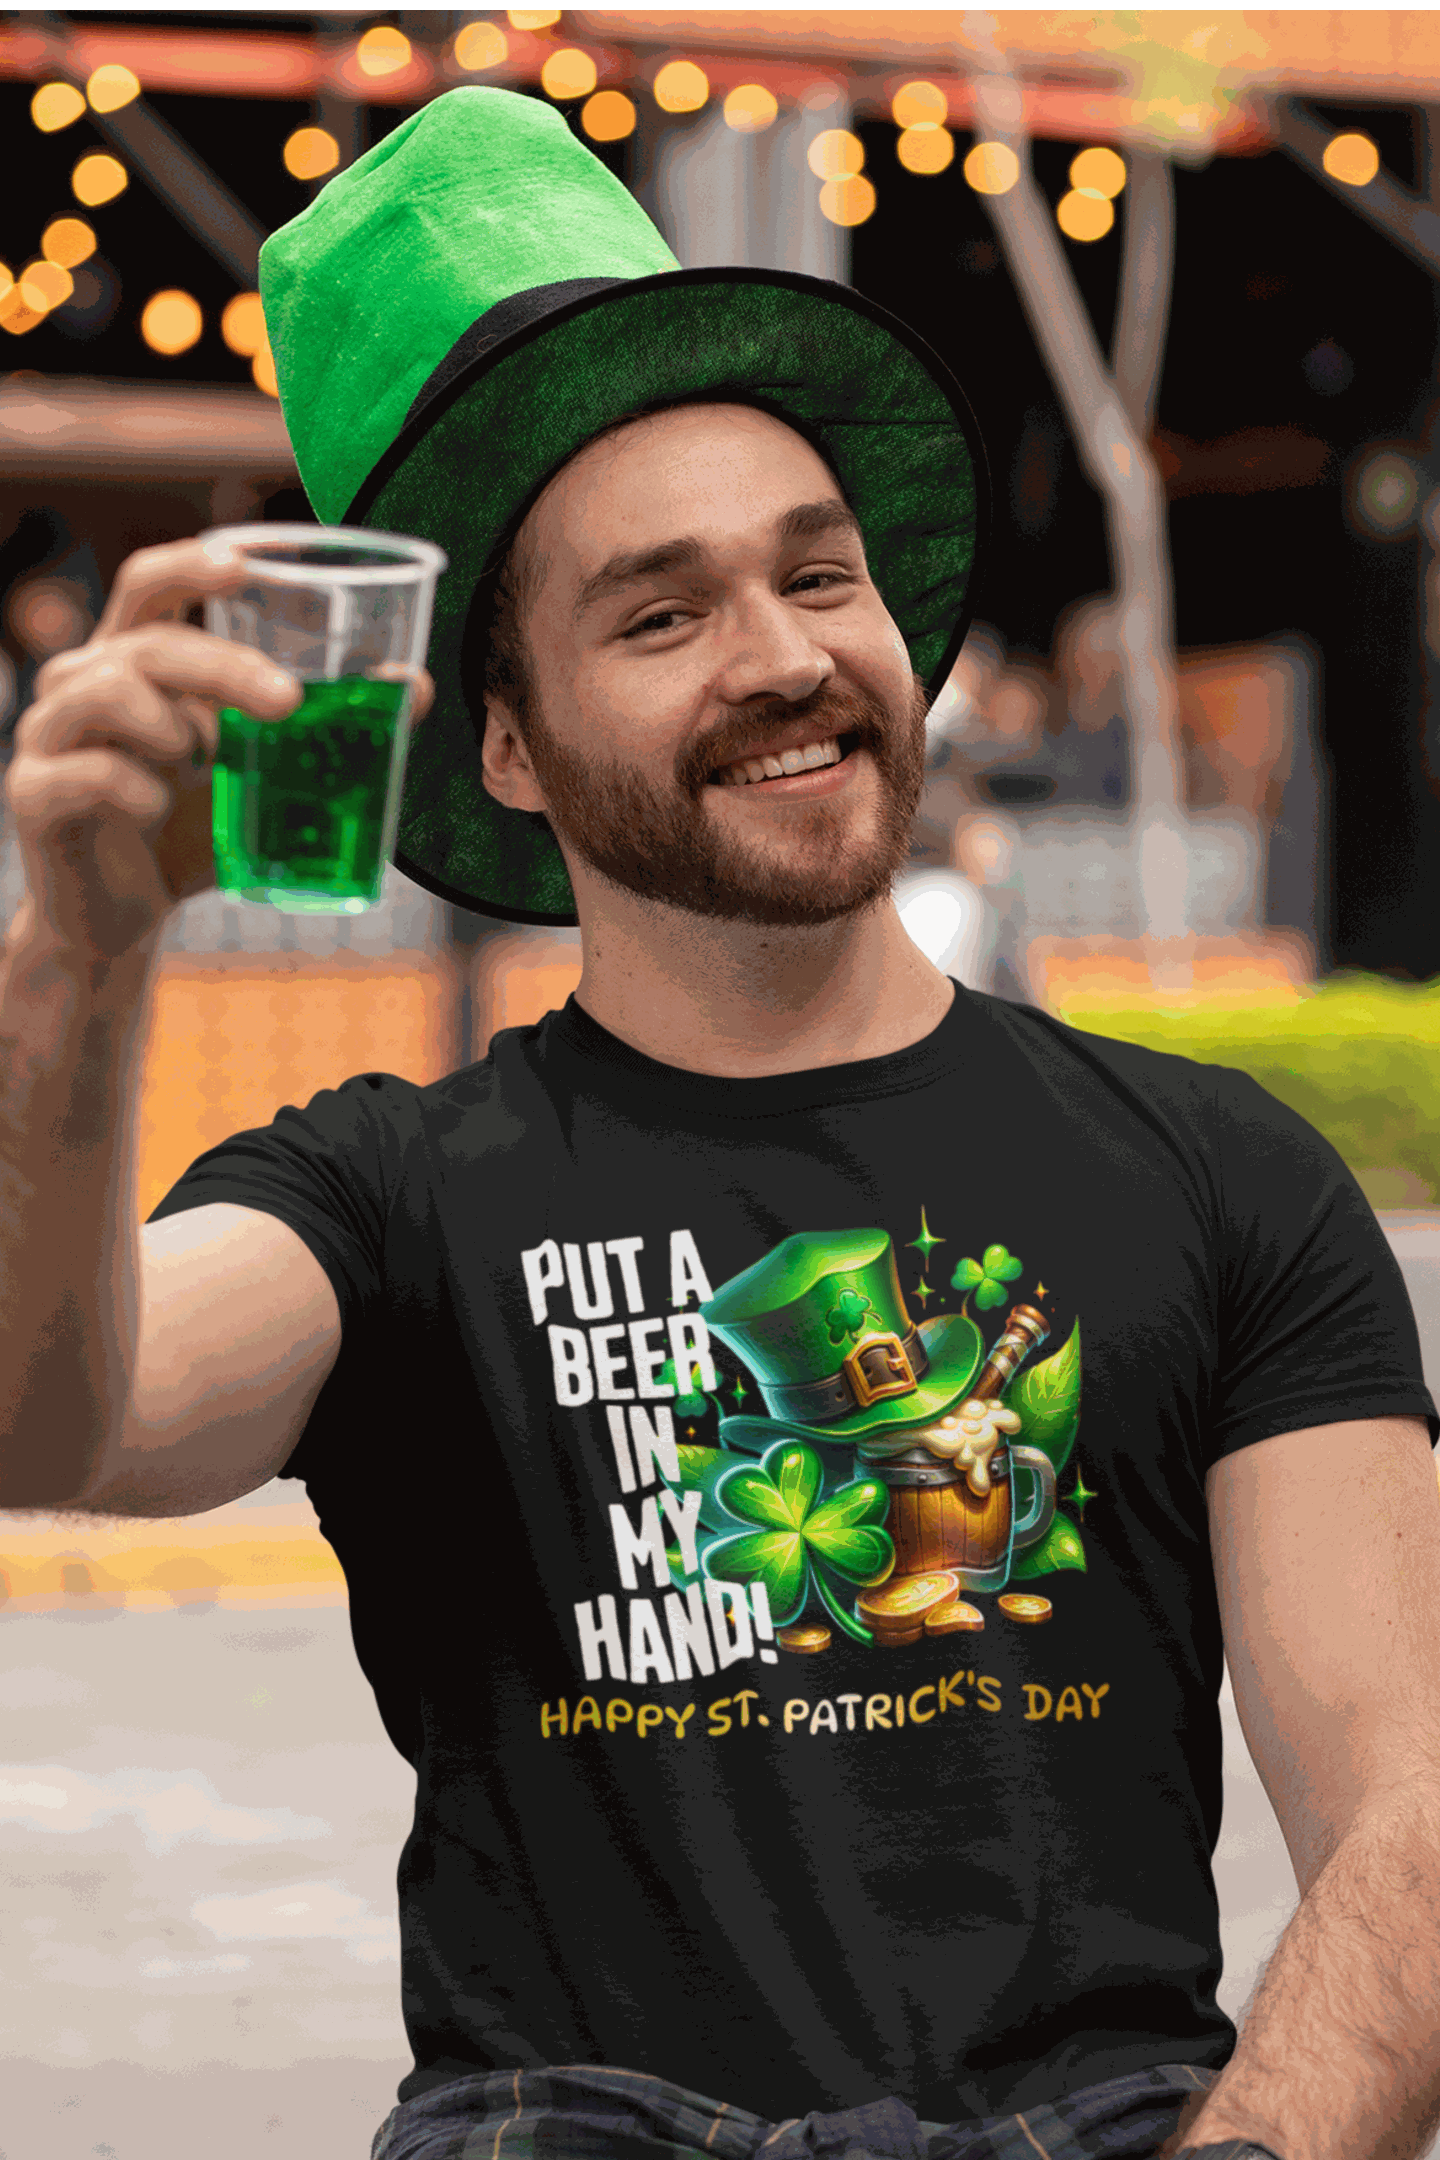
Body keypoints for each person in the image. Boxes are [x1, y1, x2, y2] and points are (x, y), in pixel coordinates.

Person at [4, 84, 1440, 2160]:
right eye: (661, 615)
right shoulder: (387, 1195)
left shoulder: (1224, 1179)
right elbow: (55, 1421)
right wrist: (73, 967)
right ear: (501, 742)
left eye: (817, 575)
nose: (784, 659)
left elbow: (1409, 1822)